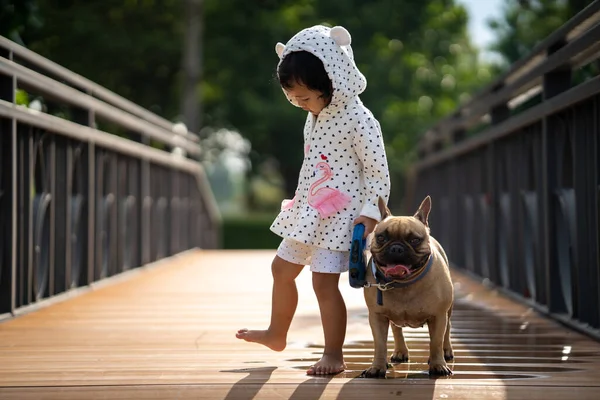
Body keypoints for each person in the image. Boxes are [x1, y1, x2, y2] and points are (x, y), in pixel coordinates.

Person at [236, 25, 390, 376]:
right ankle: (277, 333)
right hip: (309, 209)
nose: (300, 104)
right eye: (293, 98)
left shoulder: (359, 119)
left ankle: (333, 354)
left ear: (332, 80)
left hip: (341, 214)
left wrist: (370, 215)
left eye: (304, 97)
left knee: (323, 283)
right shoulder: (315, 116)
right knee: (281, 269)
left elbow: (378, 175)